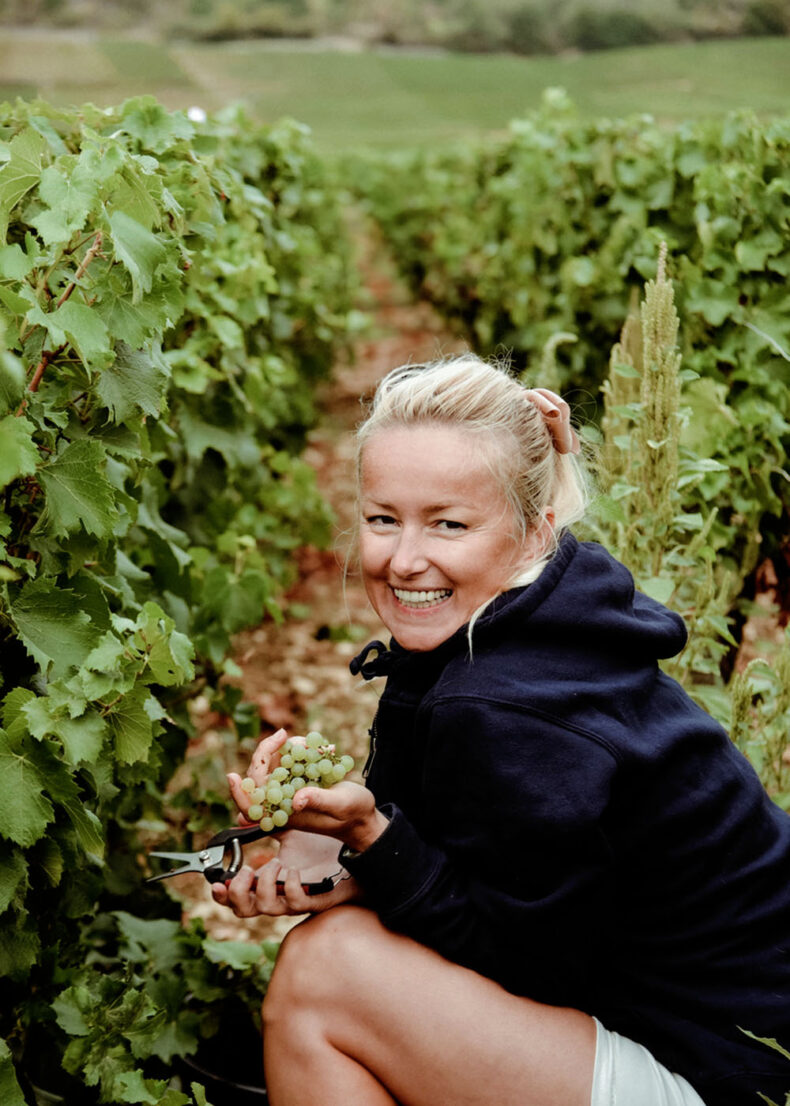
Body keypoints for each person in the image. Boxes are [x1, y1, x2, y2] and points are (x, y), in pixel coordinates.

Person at [212, 355, 790, 1106]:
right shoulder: (517, 624)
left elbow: (527, 966)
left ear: (533, 530)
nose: (405, 558)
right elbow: (489, 865)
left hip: (737, 1072)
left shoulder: (508, 703)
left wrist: (374, 841)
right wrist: (339, 848)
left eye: (448, 524)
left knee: (322, 981)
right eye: (383, 519)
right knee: (339, 959)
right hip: (683, 1024)